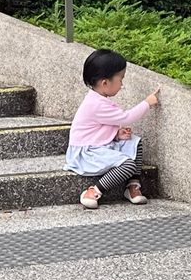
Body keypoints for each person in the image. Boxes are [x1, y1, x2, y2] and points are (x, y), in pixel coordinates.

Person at [64, 49, 160, 210]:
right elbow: (126, 118)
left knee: (135, 142)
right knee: (128, 165)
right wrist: (147, 103)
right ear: (105, 83)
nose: (122, 85)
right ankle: (94, 190)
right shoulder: (96, 104)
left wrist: (116, 135)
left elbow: (96, 129)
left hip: (98, 145)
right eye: (120, 79)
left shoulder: (98, 99)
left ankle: (132, 185)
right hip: (86, 153)